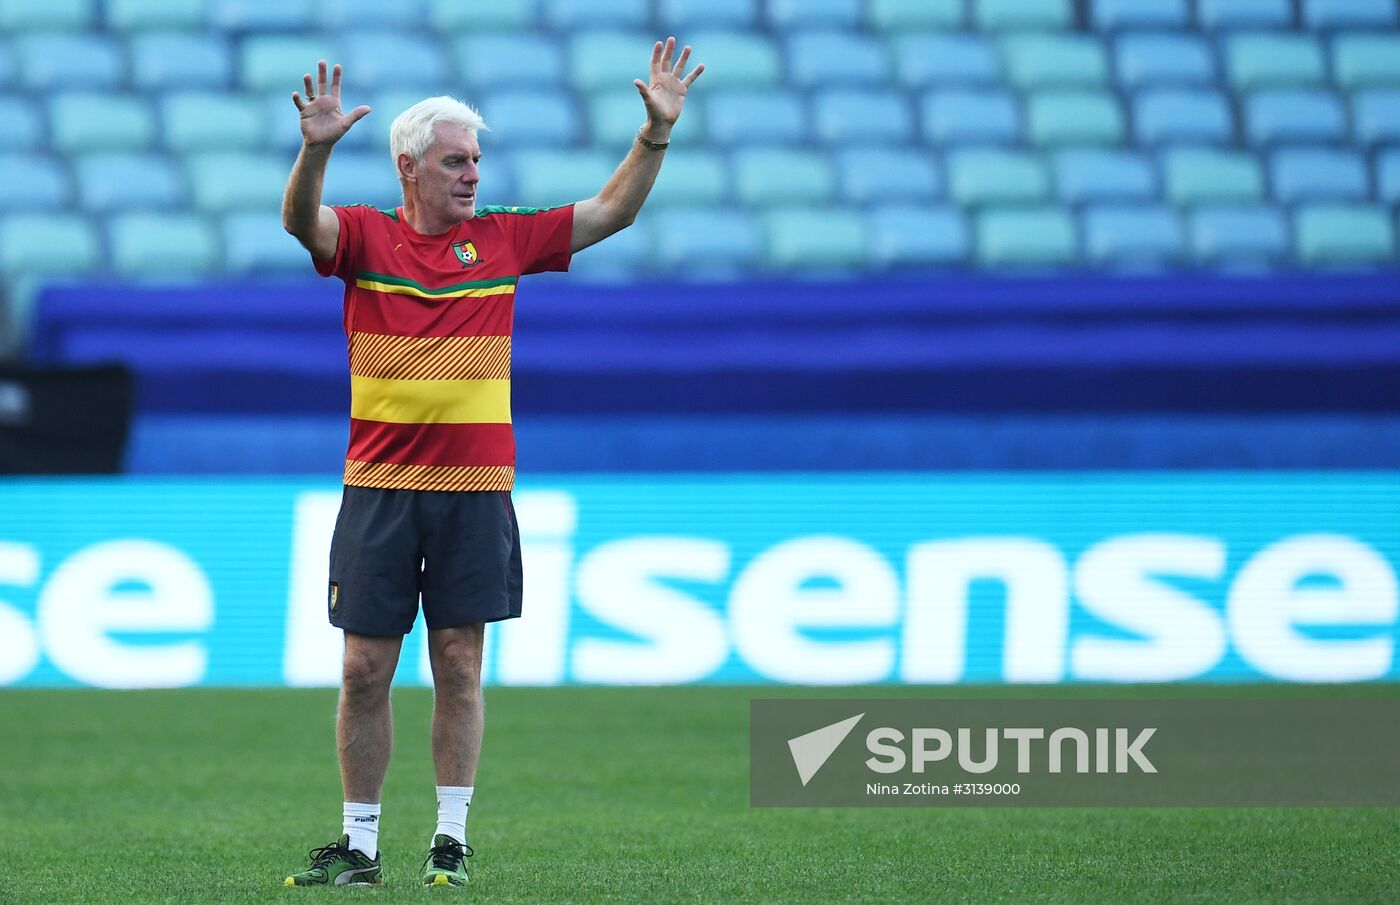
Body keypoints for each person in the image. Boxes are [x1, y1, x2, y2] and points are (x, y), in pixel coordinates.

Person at [279, 39, 703, 888]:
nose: (472, 174)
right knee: (364, 667)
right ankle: (359, 845)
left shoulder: (504, 241)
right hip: (379, 489)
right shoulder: (363, 237)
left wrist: (653, 136)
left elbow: (611, 212)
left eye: (476, 160)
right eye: (454, 161)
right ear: (410, 167)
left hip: (476, 491)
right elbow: (302, 223)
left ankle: (450, 839)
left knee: (460, 662)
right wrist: (314, 150)